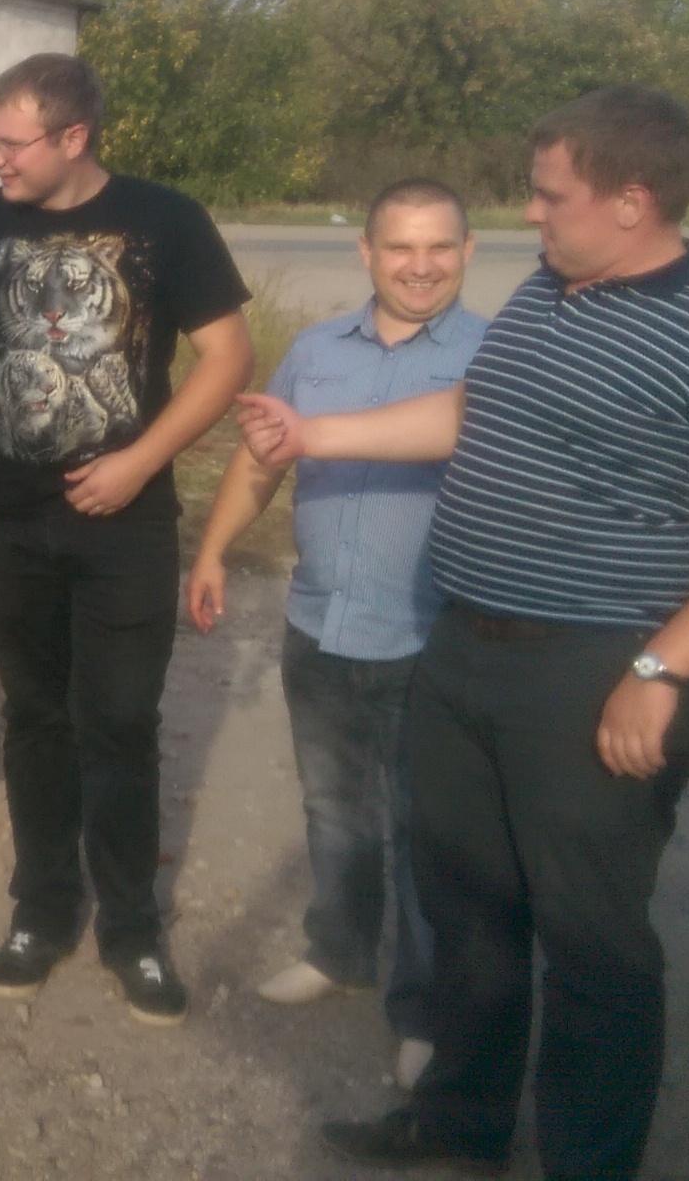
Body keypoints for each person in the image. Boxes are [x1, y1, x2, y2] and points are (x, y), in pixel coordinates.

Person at [238, 87, 689, 1179]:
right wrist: (314, 432)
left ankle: (585, 1163)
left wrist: (662, 667)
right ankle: (461, 1125)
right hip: (465, 649)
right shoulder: (550, 291)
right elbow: (475, 413)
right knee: (468, 910)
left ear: (632, 199)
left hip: (597, 670)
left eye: (551, 194)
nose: (530, 212)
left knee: (593, 944)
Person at [0, 52, 253, 1024]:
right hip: (6, 521)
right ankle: (42, 910)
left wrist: (141, 461)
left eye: (11, 144)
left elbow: (228, 358)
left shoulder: (166, 220)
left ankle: (132, 928)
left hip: (127, 525)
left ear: (74, 136)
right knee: (36, 715)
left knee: (121, 720)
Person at [185, 177, 485, 1090]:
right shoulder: (315, 352)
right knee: (334, 808)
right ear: (367, 252)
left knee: (426, 834)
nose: (420, 266)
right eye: (400, 246)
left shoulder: (496, 354)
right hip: (319, 623)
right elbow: (262, 460)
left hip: (429, 637)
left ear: (468, 253)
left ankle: (425, 1009)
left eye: (439, 247)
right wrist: (213, 551)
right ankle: (341, 953)